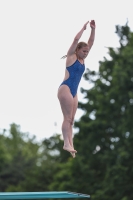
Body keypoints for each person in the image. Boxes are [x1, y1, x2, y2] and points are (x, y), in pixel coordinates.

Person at [57, 20, 96, 158]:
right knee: (67, 118)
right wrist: (83, 29)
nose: (86, 53)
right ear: (78, 50)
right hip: (66, 88)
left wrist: (93, 29)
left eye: (87, 51)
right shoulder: (72, 56)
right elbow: (75, 39)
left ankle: (71, 145)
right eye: (84, 51)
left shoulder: (83, 58)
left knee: (72, 120)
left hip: (74, 91)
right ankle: (66, 143)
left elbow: (90, 42)